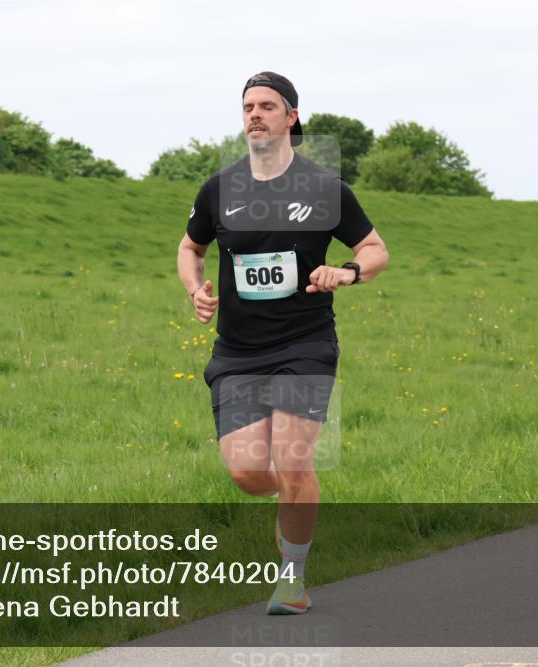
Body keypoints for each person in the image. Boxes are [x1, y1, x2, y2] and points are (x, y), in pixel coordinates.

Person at [176, 71, 388, 614]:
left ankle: (292, 579)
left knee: (294, 465)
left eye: (267, 106)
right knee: (248, 475)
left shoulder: (324, 189)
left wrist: (347, 272)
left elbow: (374, 249)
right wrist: (195, 290)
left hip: (304, 343)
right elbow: (190, 248)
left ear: (291, 117)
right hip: (238, 350)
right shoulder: (220, 188)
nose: (255, 114)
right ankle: (292, 498)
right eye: (248, 106)